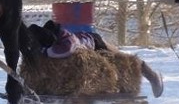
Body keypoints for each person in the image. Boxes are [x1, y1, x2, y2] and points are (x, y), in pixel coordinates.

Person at [25, 20, 164, 98]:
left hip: (95, 42)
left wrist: (46, 51)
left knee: (122, 58)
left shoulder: (67, 38)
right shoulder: (52, 37)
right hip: (85, 41)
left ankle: (151, 75)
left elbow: (67, 49)